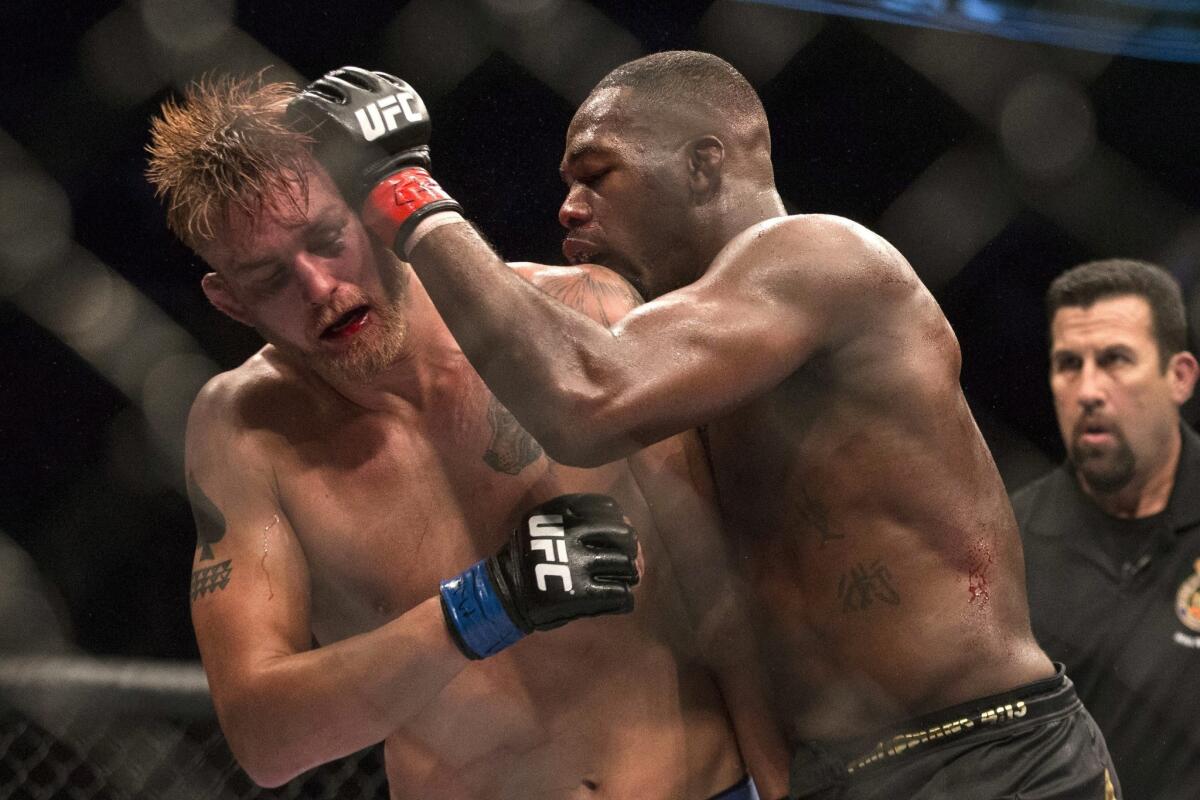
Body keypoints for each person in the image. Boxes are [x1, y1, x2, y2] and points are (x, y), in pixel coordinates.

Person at [287, 55, 1122, 799]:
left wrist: (404, 192)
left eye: (597, 174)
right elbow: (736, 617)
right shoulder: (696, 365)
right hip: (844, 771)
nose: (569, 208)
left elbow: (584, 396)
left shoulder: (821, 259)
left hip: (986, 753)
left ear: (702, 165)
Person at [146, 73, 786, 800]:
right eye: (268, 279)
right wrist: (487, 604)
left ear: (374, 208)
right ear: (227, 299)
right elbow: (265, 740)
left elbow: (726, 597)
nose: (320, 288)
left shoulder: (580, 319)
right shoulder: (245, 430)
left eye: (328, 240)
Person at [1011, 259, 1200, 800]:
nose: (1089, 389)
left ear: (1179, 376)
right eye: (1069, 364)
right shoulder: (1007, 547)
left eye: (1115, 360)